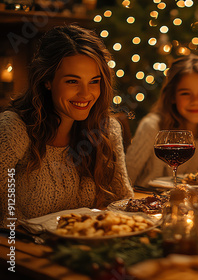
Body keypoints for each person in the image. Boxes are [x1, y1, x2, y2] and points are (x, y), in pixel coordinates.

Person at [0, 25, 133, 226]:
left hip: (87, 249)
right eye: (72, 81)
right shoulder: (14, 129)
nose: (85, 94)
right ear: (47, 80)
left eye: (94, 81)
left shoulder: (107, 130)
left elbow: (123, 203)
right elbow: (5, 222)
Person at [126, 54, 198, 187]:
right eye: (185, 93)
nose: (195, 101)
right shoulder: (151, 127)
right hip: (145, 199)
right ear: (172, 96)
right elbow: (125, 179)